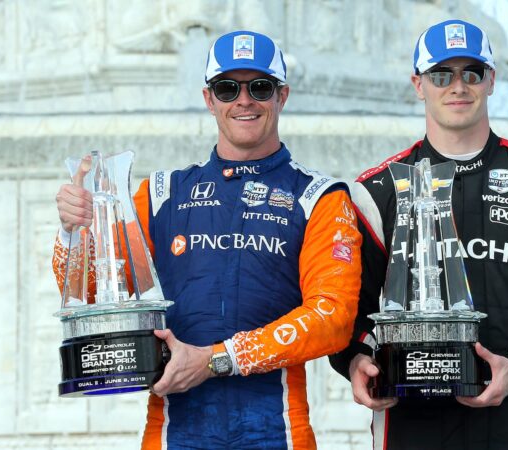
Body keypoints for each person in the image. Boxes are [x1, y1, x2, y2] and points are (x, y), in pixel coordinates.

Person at [53, 30, 362, 450]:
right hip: (172, 431)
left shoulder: (319, 197)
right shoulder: (161, 194)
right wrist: (74, 231)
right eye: (228, 87)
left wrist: (218, 360)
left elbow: (333, 317)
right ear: (209, 99)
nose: (244, 100)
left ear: (282, 96)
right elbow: (94, 292)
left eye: (260, 87)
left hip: (277, 432)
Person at [328, 19, 508, 450]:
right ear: (418, 84)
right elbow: (345, 309)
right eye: (441, 74)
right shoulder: (374, 192)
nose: (457, 86)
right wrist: (355, 360)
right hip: (406, 425)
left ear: (491, 80)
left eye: (471, 73)